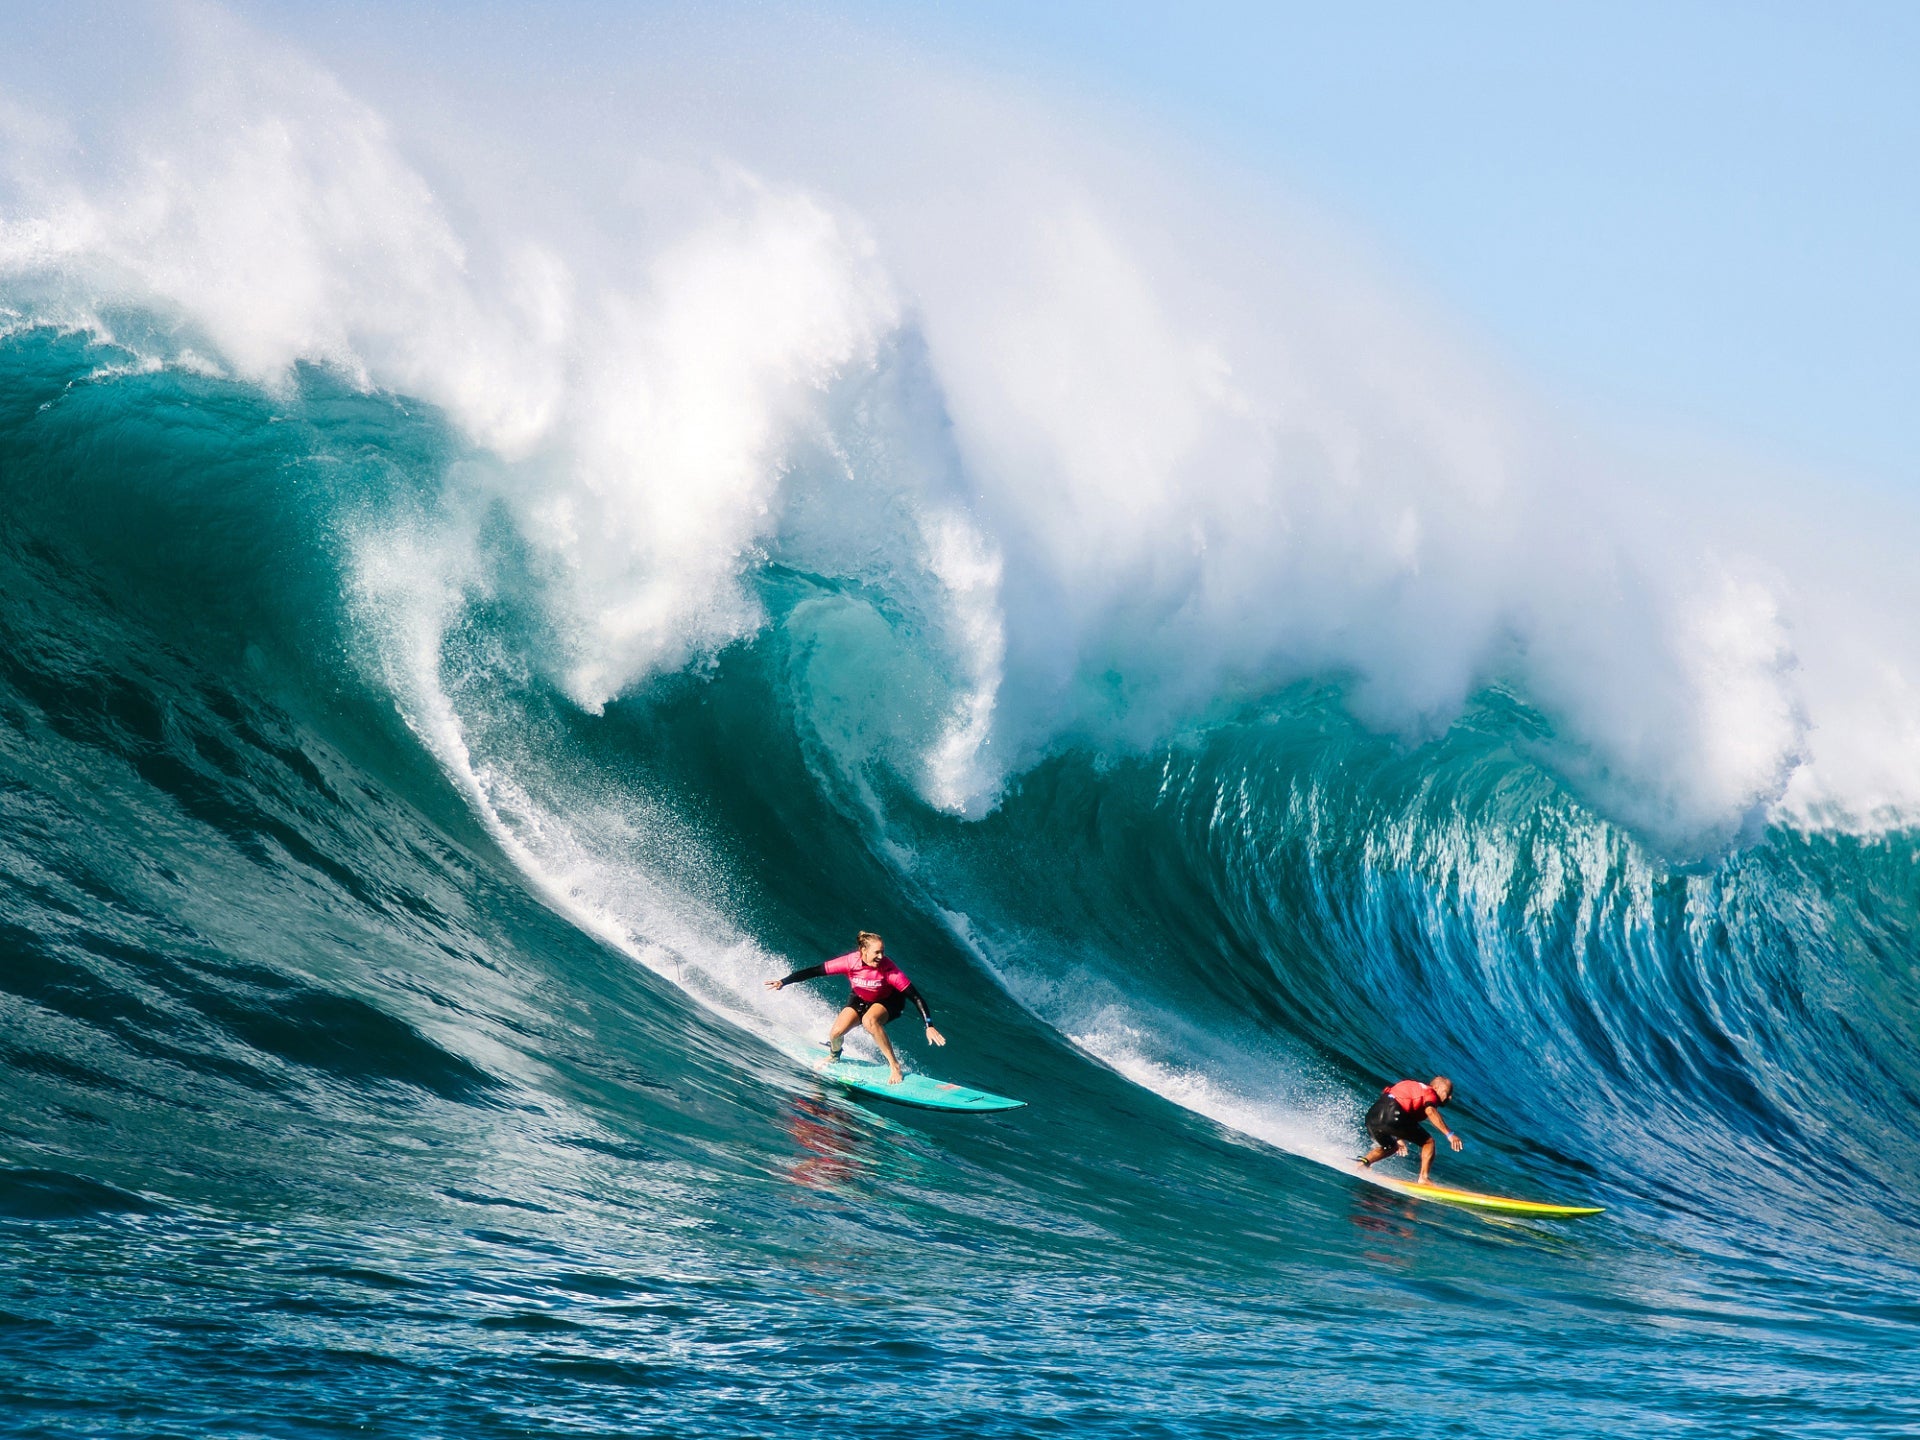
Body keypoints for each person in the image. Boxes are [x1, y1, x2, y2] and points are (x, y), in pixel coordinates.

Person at [766, 931, 946, 1085]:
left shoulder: (888, 969)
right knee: (836, 1033)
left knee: (870, 1021)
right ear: (863, 951)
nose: (881, 957)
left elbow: (915, 996)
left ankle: (895, 1066)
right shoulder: (849, 962)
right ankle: (835, 1055)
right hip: (860, 999)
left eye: (882, 952)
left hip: (889, 1001)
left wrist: (929, 1025)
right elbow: (814, 971)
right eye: (877, 952)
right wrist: (783, 981)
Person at [1358, 1076, 1463, 1184]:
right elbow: (1430, 1111)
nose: (1450, 1097)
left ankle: (1363, 1163)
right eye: (1447, 1092)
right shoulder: (1430, 1092)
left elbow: (1394, 1105)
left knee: (1390, 1146)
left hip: (1373, 1115)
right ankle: (1424, 1178)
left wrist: (1398, 1138)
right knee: (1429, 1142)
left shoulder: (1411, 1085)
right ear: (1435, 1087)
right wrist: (1449, 1134)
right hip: (1393, 1114)